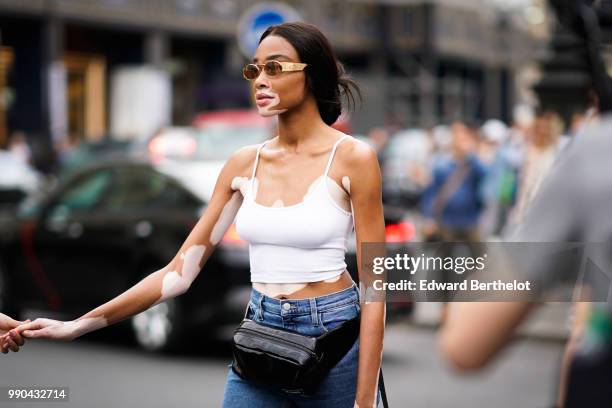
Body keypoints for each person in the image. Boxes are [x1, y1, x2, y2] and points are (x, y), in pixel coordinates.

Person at [1, 22, 386, 408]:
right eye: (254, 69)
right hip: (260, 333)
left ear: (312, 75)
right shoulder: (243, 164)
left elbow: (376, 286)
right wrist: (76, 325)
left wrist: (365, 400)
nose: (260, 80)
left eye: (275, 67)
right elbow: (176, 274)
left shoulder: (353, 158)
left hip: (333, 337)